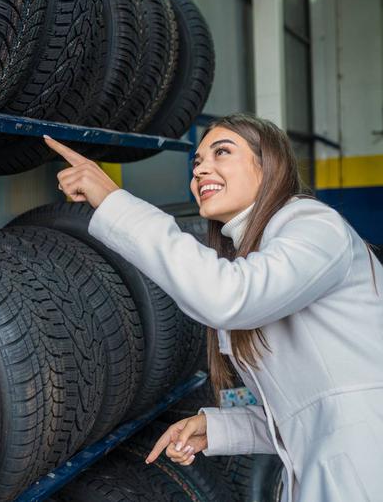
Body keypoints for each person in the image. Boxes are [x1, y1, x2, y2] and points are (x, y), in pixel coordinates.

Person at [43, 113, 383, 502]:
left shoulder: (313, 225)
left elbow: (226, 297)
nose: (202, 168)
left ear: (269, 164)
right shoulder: (255, 257)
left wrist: (115, 201)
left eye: (222, 152)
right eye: (197, 162)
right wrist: (218, 429)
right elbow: (307, 411)